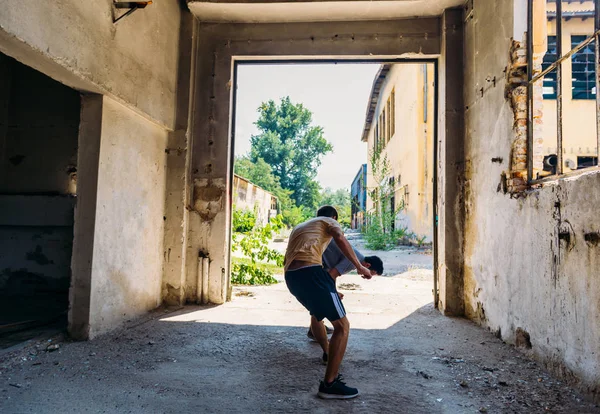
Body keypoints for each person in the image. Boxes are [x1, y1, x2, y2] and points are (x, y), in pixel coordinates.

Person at [284, 205, 374, 399]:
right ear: (333, 217)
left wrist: (329, 289)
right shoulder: (330, 222)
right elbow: (340, 238)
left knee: (317, 315)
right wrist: (359, 267)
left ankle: (327, 353)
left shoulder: (302, 226)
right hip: (311, 273)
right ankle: (330, 384)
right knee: (342, 327)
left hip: (292, 277)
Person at [307, 240, 384, 353]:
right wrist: (333, 292)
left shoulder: (356, 257)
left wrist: (334, 290)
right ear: (367, 265)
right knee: (321, 306)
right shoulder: (353, 260)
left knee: (321, 302)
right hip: (308, 262)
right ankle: (323, 345)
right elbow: (331, 276)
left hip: (313, 260)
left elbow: (331, 274)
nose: (367, 276)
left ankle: (314, 331)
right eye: (370, 274)